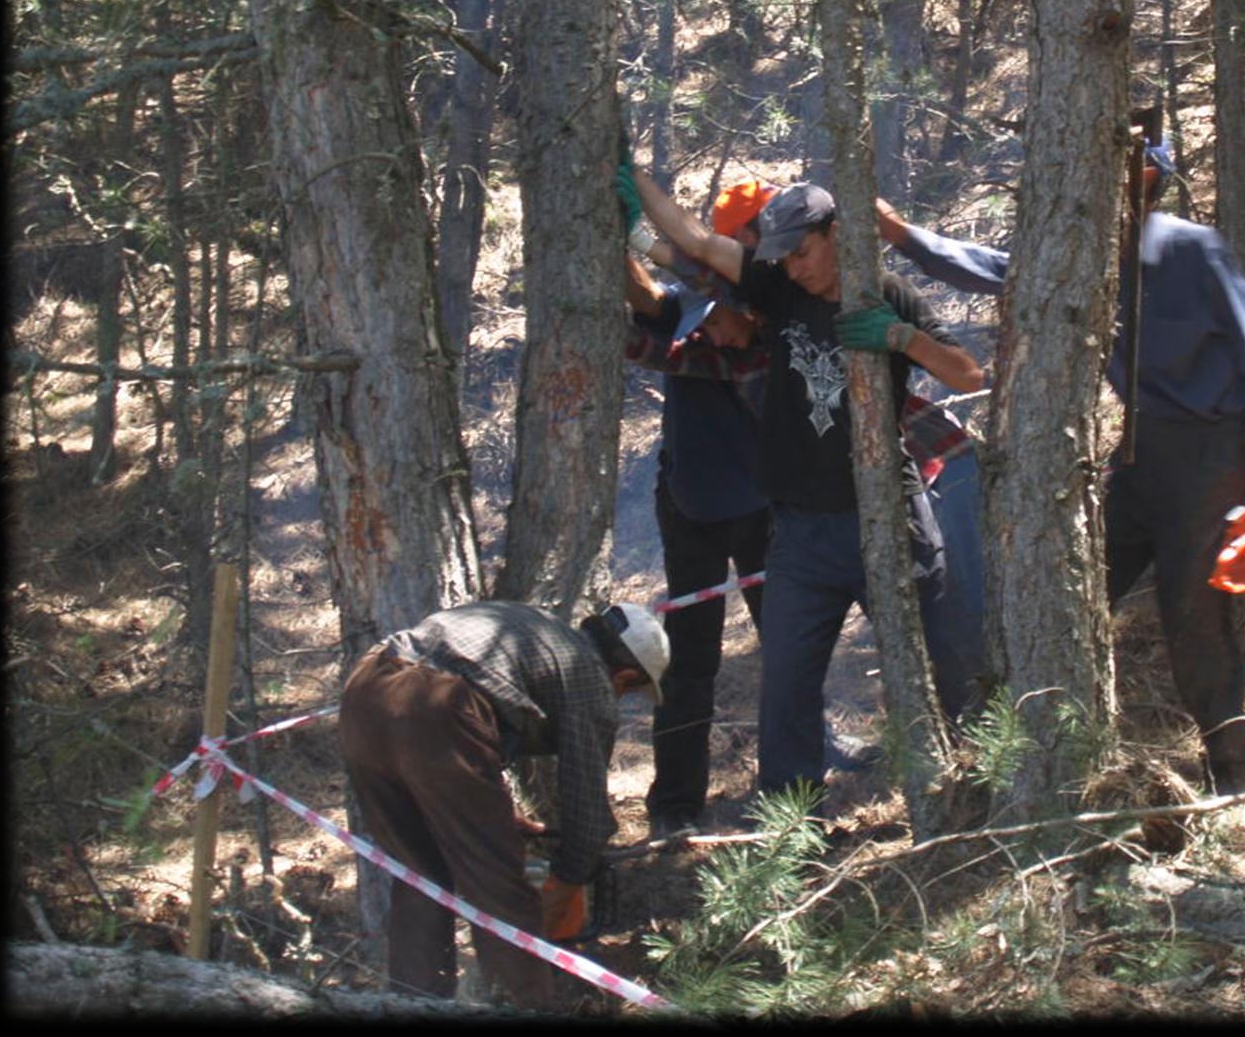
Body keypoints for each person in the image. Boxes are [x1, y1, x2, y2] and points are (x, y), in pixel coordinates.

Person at [876, 147, 1245, 795]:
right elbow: (988, 267)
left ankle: (1239, 769)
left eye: (1125, 177)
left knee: (1192, 619)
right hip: (1138, 455)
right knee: (1074, 594)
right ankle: (1025, 760)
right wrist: (901, 235)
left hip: (1210, 459)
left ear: (1149, 184)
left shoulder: (1196, 250)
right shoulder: (1079, 259)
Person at [626, 166, 987, 804]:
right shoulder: (778, 292)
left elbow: (967, 374)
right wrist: (630, 177)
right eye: (783, 256)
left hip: (887, 519)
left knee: (944, 658)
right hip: (799, 533)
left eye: (803, 252)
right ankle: (794, 828)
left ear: (837, 234)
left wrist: (899, 338)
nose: (795, 268)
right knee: (786, 686)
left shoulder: (890, 295)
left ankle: (980, 783)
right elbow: (697, 242)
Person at [338, 600, 669, 1009]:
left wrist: (497, 815)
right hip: (436, 705)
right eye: (628, 691)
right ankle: (527, 1005)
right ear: (625, 674)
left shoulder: (541, 628)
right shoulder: (591, 678)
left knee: (419, 878)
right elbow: (587, 814)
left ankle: (414, 1003)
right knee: (500, 890)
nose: (619, 698)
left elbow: (443, 752)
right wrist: (565, 886)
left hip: (367, 689)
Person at [620, 182, 777, 844]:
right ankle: (676, 801)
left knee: (793, 646)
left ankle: (802, 766)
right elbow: (651, 302)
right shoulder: (689, 306)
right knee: (690, 665)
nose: (712, 328)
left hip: (770, 505)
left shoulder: (779, 303)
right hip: (693, 508)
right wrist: (613, 239)